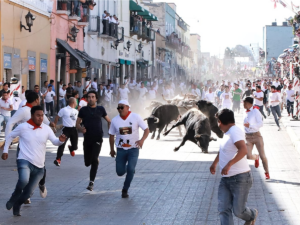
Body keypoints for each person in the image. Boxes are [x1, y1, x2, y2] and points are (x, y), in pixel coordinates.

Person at [2, 105, 66, 216]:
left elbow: (55, 141)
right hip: (24, 160)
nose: (40, 118)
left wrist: (60, 141)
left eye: (42, 115)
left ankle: (17, 205)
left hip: (39, 166)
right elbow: (10, 136)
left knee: (28, 193)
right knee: (23, 180)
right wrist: (5, 151)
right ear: (32, 116)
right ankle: (14, 197)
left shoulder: (46, 128)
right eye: (38, 115)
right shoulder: (23, 127)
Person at [210, 108, 258, 224]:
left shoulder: (234, 131)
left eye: (218, 122)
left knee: (239, 211)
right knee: (223, 209)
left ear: (220, 121)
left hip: (240, 178)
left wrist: (229, 164)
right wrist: (214, 163)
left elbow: (243, 149)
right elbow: (222, 151)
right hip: (225, 179)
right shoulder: (227, 134)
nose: (218, 125)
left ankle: (252, 214)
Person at [109, 100, 149, 198]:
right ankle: (130, 169)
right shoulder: (115, 120)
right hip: (121, 149)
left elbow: (147, 129)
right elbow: (111, 135)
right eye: (118, 108)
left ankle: (125, 189)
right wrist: (112, 149)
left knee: (131, 169)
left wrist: (142, 140)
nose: (120, 109)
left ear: (127, 107)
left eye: (122, 107)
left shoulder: (136, 117)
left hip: (133, 149)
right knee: (120, 172)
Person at [76, 90, 111, 191]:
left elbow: (109, 120)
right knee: (87, 162)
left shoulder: (101, 109)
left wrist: (110, 132)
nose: (91, 99)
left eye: (92, 97)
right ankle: (94, 159)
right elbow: (77, 123)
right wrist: (81, 129)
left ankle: (91, 182)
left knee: (94, 160)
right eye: (89, 97)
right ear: (87, 99)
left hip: (98, 137)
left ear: (96, 99)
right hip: (87, 139)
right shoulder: (83, 110)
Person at [243, 97, 270, 180]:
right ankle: (255, 157)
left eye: (245, 103)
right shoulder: (245, 112)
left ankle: (266, 172)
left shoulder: (256, 111)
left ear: (249, 103)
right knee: (248, 155)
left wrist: (250, 126)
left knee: (263, 155)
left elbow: (260, 124)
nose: (243, 105)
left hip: (256, 136)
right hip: (247, 137)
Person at [53, 98, 78, 166]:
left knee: (75, 147)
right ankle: (58, 159)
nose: (76, 103)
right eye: (76, 102)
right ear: (73, 103)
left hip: (73, 129)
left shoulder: (76, 111)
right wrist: (54, 126)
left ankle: (71, 148)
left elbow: (78, 121)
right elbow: (57, 117)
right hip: (66, 129)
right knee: (62, 144)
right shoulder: (64, 110)